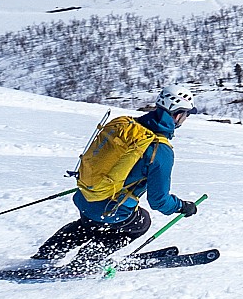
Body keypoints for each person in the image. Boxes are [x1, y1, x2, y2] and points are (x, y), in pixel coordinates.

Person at [30, 81, 201, 270]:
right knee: (140, 222)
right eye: (185, 115)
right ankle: (86, 261)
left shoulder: (126, 125)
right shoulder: (160, 150)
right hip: (109, 208)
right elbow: (159, 201)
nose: (184, 119)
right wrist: (183, 207)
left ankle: (45, 254)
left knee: (88, 225)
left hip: (85, 195)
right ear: (177, 115)